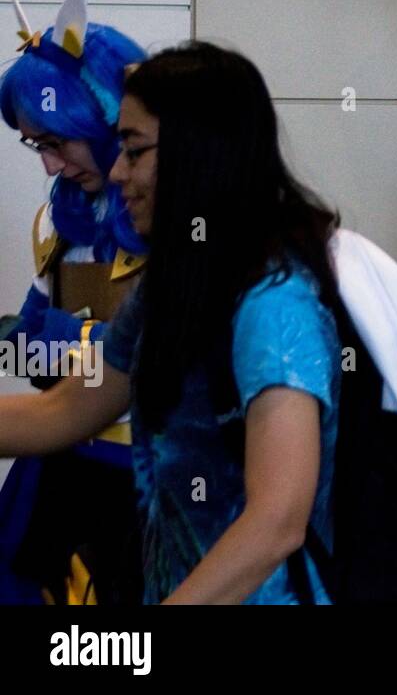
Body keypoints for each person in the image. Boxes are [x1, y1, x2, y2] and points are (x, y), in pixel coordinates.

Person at [0, 41, 342, 603]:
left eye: (133, 150)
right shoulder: (173, 287)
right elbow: (62, 410)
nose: (115, 171)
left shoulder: (273, 304)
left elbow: (276, 523)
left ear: (197, 153)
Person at [0, 0, 147, 604]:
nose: (53, 166)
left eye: (59, 141)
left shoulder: (184, 231)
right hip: (62, 460)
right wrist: (34, 346)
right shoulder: (57, 227)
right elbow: (24, 355)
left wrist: (61, 342)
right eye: (37, 146)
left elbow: (150, 364)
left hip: (153, 482)